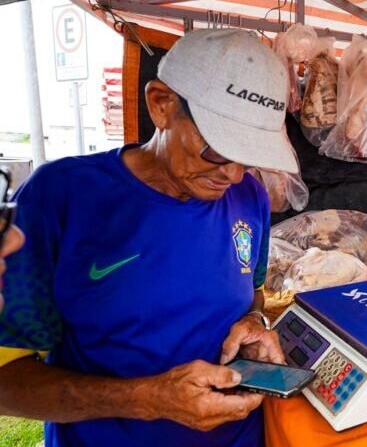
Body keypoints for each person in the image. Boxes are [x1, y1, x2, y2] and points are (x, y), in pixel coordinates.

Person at [0, 29, 298, 447]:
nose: (232, 174)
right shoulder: (62, 197)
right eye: (217, 149)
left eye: (249, 158)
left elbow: (252, 293)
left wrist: (253, 323)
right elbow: (7, 381)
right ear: (161, 105)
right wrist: (148, 400)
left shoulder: (249, 197)